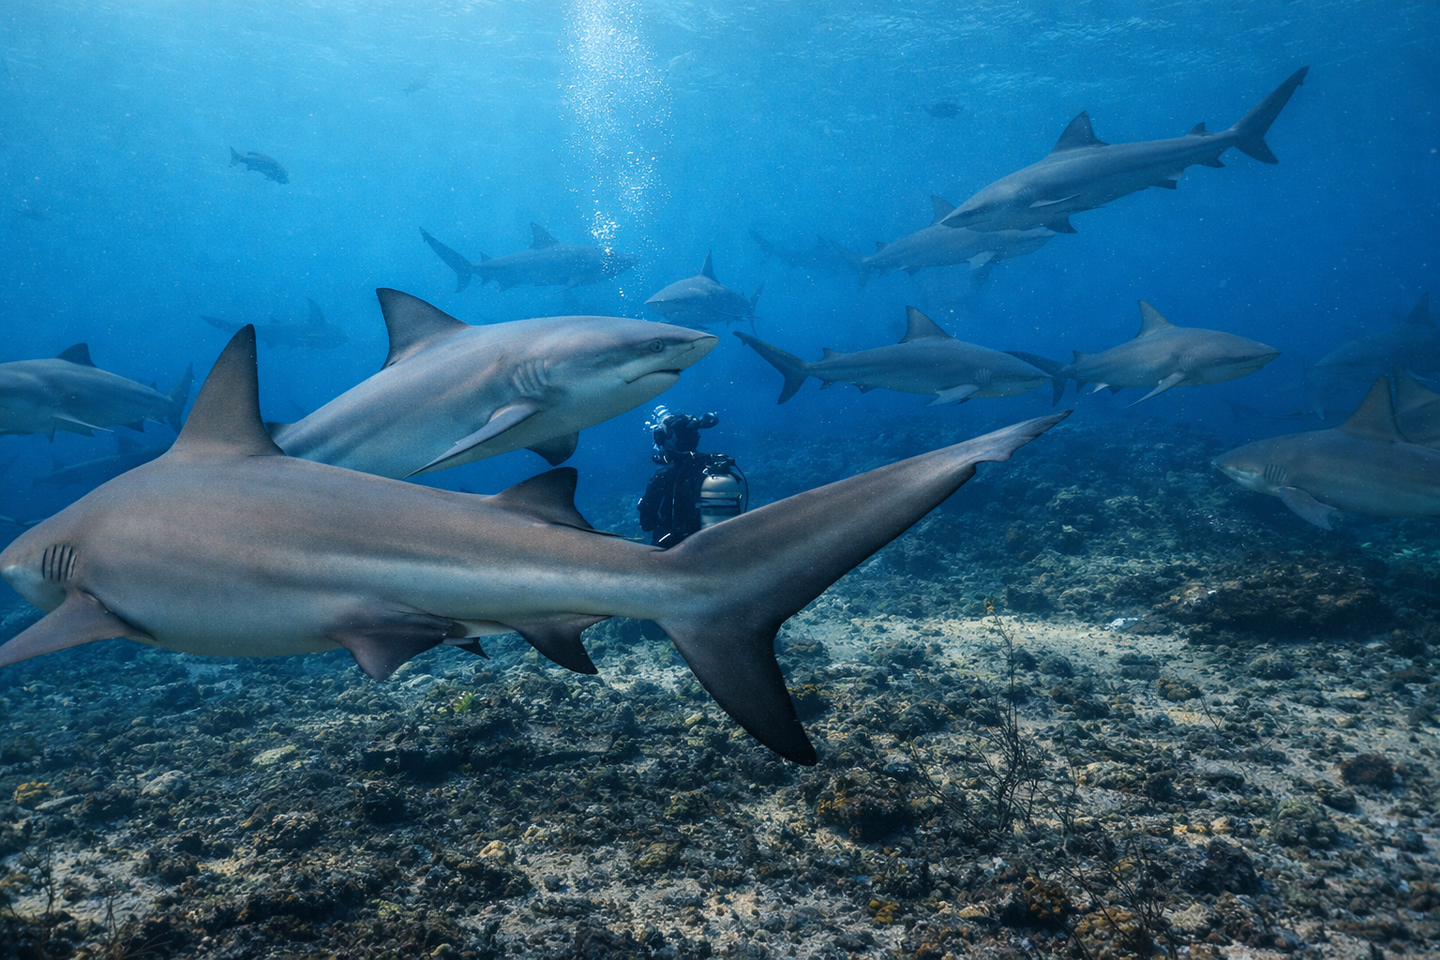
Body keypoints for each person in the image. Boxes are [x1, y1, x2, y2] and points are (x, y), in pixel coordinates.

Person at [637, 407, 747, 548]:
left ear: (669, 441)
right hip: (721, 547)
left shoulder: (663, 477)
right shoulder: (714, 464)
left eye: (661, 437)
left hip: (678, 553)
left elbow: (647, 524)